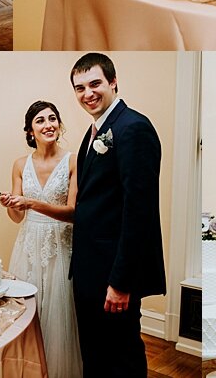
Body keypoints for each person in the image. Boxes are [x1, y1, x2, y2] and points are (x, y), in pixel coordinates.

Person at [68, 52, 166, 378]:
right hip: (88, 268)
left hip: (113, 272)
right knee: (95, 354)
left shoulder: (133, 128)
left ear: (112, 82)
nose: (88, 93)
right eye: (80, 88)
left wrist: (120, 282)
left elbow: (139, 212)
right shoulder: (96, 129)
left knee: (121, 356)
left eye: (95, 83)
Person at [0, 100, 82, 378]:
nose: (48, 125)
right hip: (28, 247)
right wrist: (12, 204)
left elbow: (72, 213)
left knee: (59, 317)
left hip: (61, 246)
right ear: (30, 131)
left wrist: (31, 202)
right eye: (40, 121)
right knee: (27, 313)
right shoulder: (20, 164)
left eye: (52, 119)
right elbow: (17, 218)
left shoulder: (73, 160)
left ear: (59, 125)